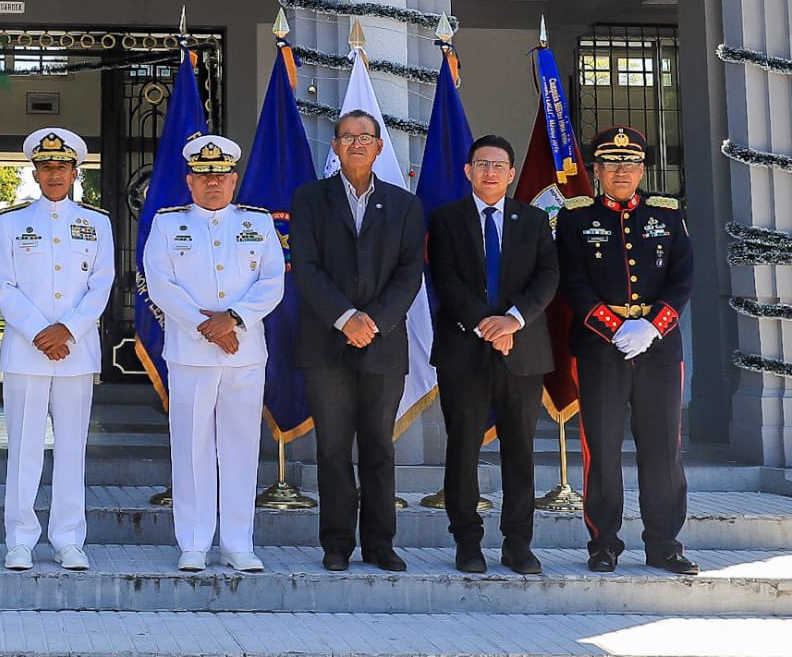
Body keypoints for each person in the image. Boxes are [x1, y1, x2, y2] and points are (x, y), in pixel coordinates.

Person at [288, 109, 425, 573]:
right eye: (347, 137)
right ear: (335, 146)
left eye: (365, 137)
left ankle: (380, 544)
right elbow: (305, 268)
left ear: (379, 146)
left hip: (383, 345)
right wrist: (346, 318)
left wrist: (375, 321)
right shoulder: (309, 200)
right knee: (332, 448)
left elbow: (410, 274)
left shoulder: (404, 204)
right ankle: (337, 543)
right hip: (326, 344)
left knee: (379, 448)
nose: (356, 144)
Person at [557, 125, 698, 576]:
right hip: (601, 347)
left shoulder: (669, 215)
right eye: (611, 164)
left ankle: (664, 543)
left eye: (630, 163)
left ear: (642, 169)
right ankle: (603, 543)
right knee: (601, 446)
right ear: (595, 170)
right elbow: (572, 282)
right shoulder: (576, 218)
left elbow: (682, 281)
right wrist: (614, 327)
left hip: (657, 347)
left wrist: (651, 327)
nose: (621, 171)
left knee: (662, 448)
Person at [142, 134, 286, 573]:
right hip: (190, 353)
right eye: (204, 176)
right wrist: (208, 326)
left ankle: (238, 543)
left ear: (234, 179)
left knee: (241, 448)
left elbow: (272, 282)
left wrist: (235, 319)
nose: (212, 184)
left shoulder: (257, 224)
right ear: (189, 181)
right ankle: (193, 541)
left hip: (243, 353)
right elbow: (160, 284)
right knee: (190, 448)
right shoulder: (168, 225)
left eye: (221, 176)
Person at [426, 134, 558, 575]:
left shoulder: (535, 220)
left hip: (522, 350)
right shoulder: (446, 220)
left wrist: (513, 322)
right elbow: (445, 278)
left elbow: (547, 277)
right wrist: (489, 326)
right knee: (463, 446)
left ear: (511, 173)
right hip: (464, 349)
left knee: (519, 450)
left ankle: (518, 544)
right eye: (481, 164)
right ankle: (467, 541)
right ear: (468, 171)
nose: (489, 172)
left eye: (498, 165)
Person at [0, 128, 114, 572]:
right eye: (46, 167)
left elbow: (101, 284)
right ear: (35, 172)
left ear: (76, 172)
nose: (54, 174)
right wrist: (41, 331)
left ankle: (68, 539)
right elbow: (2, 284)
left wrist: (69, 330)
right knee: (23, 447)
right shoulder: (12, 222)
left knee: (72, 448)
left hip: (75, 353)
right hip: (27, 351)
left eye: (62, 166)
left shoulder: (98, 223)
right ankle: (20, 538)